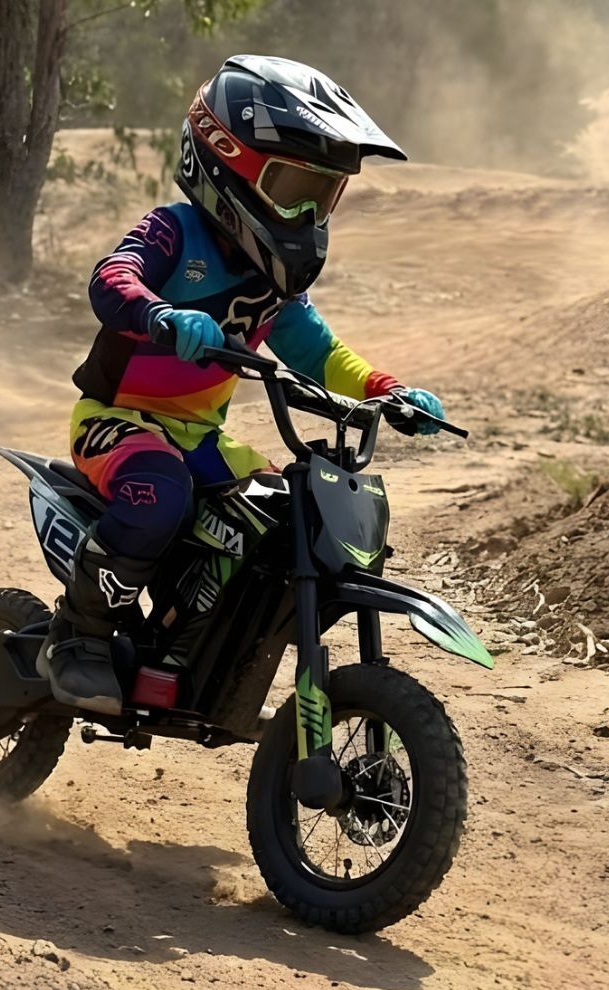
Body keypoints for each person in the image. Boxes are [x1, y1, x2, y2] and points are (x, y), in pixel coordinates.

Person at [37, 54, 445, 715]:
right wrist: (161, 315)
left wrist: (387, 391)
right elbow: (111, 278)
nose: (308, 212)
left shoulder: (273, 284)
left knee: (285, 515)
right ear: (226, 164)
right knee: (159, 494)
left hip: (201, 439)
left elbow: (319, 351)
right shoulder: (175, 232)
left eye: (323, 194)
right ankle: (77, 636)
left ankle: (190, 647)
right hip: (119, 423)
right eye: (294, 188)